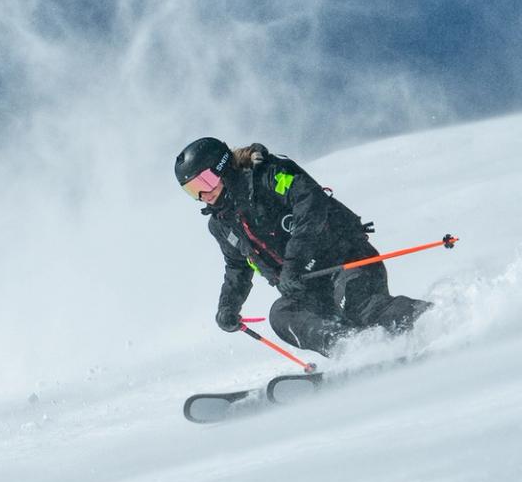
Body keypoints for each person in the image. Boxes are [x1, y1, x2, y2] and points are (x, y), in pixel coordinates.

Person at [175, 136, 431, 355]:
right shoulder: (222, 224)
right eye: (192, 190)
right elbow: (237, 267)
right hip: (308, 287)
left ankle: (436, 320)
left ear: (223, 168)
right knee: (282, 314)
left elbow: (310, 204)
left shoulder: (267, 176)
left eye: (205, 182)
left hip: (347, 259)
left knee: (362, 307)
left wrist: (294, 263)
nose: (202, 195)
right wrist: (228, 307)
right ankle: (353, 348)